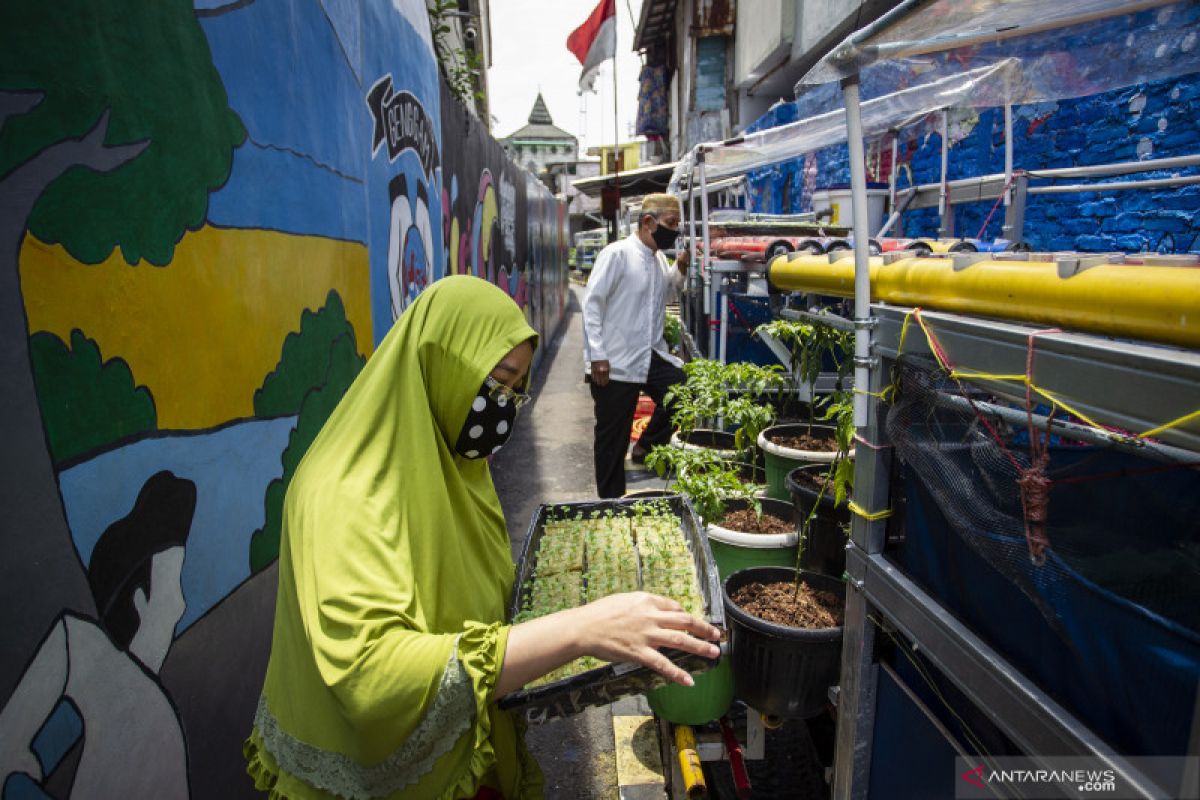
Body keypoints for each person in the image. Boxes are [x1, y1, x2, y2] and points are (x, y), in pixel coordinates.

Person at [244, 276, 720, 800]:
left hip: (463, 752)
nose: (508, 406)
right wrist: (580, 629)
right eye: (499, 381)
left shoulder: (451, 467)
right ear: (440, 362)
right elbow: (369, 679)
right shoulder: (344, 496)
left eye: (520, 390)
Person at [582, 193, 690, 498]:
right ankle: (610, 502)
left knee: (684, 392)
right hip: (614, 361)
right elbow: (592, 304)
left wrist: (679, 269)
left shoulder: (657, 259)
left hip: (648, 354)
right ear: (647, 222)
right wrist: (597, 356)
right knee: (612, 440)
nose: (675, 231)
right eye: (671, 223)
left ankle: (646, 445)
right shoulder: (617, 254)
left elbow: (666, 294)